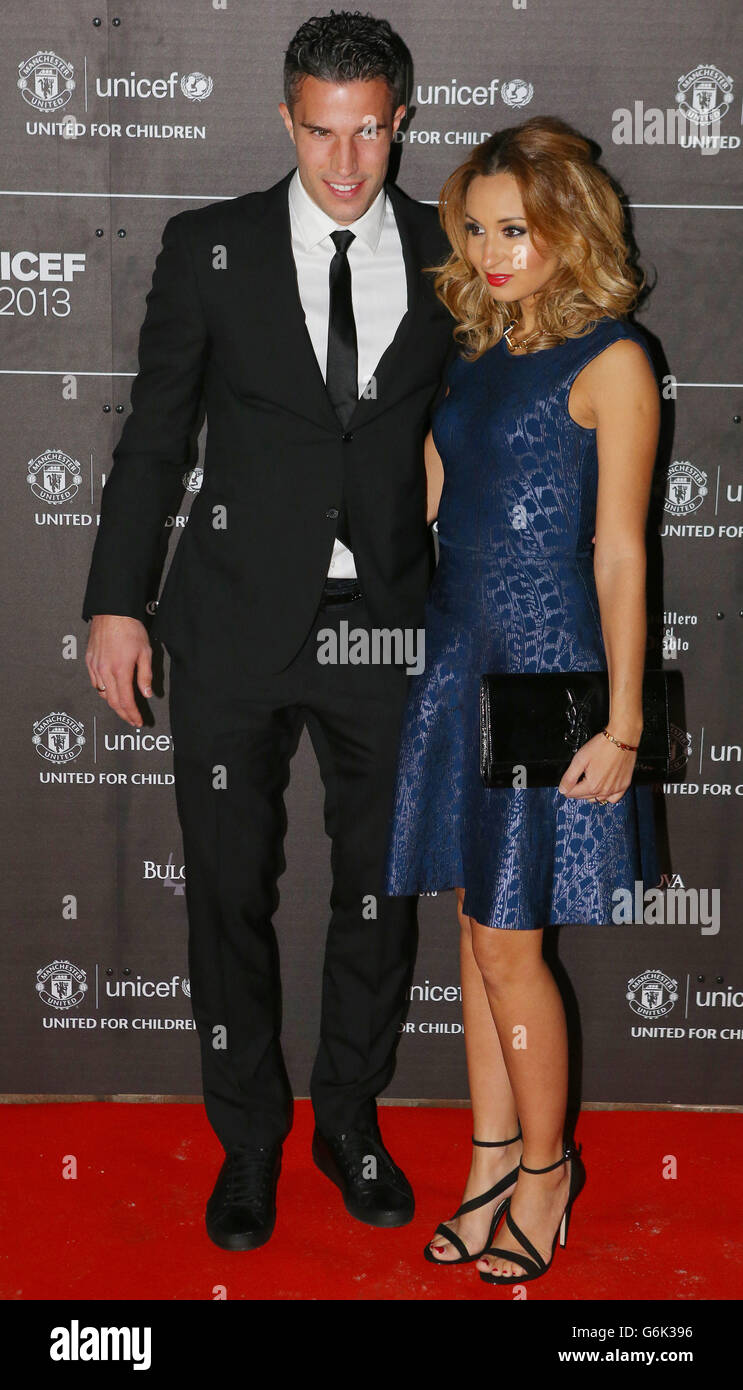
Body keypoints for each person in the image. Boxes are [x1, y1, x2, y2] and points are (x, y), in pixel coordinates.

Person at [81, 11, 455, 1251]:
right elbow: (152, 441)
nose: (342, 164)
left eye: (366, 133)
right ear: (284, 120)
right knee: (228, 896)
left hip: (382, 627)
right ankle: (247, 1140)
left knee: (376, 895)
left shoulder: (448, 250)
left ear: (398, 120)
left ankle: (348, 1118)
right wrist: (113, 600)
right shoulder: (209, 248)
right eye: (317, 132)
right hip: (237, 626)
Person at [383, 116, 661, 1285]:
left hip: (548, 668)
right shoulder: (474, 353)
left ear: (568, 230)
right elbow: (427, 509)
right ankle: (490, 1154)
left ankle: (546, 1174)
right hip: (457, 656)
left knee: (507, 943)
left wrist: (624, 721)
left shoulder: (612, 359)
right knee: (475, 934)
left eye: (518, 230)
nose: (495, 251)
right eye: (480, 230)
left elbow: (618, 553)